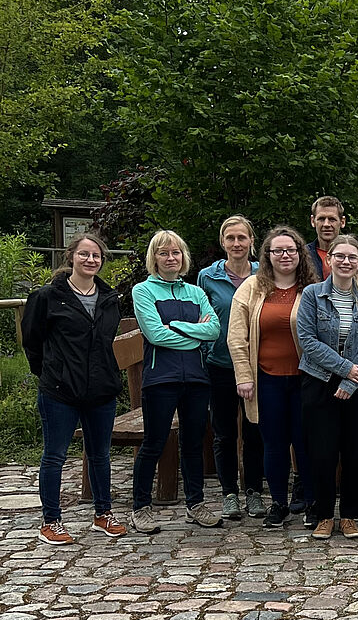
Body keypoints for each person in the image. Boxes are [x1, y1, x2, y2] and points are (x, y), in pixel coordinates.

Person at [23, 233, 127, 544]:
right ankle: (51, 521)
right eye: (84, 254)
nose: (90, 260)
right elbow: (32, 341)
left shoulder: (109, 298)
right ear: (71, 257)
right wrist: (50, 373)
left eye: (96, 255)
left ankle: (103, 514)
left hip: (100, 389)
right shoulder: (47, 296)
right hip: (60, 390)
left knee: (100, 455)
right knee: (54, 455)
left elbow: (105, 342)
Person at [130, 230, 222, 533]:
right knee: (154, 442)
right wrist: (194, 333)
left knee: (193, 443)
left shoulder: (195, 292)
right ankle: (140, 507)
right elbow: (155, 334)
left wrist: (177, 326)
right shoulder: (143, 291)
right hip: (161, 378)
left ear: (183, 257)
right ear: (154, 258)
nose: (171, 258)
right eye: (164, 253)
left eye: (175, 252)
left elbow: (214, 331)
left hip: (196, 377)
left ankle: (196, 504)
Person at [227, 225, 318, 528]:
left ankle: (311, 502)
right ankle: (278, 503)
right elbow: (236, 337)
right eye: (277, 250)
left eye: (290, 250)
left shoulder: (313, 288)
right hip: (266, 379)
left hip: (306, 379)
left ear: (300, 253)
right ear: (267, 254)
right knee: (274, 444)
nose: (284, 255)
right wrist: (243, 376)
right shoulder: (252, 287)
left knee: (305, 442)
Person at [296, 234, 358, 540]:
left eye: (351, 257)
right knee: (322, 451)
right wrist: (344, 369)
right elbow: (307, 340)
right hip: (319, 380)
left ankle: (349, 515)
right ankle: (323, 515)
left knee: (355, 451)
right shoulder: (312, 295)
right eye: (340, 256)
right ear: (329, 260)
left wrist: (350, 379)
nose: (346, 262)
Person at [198, 215, 266, 521]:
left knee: (255, 431)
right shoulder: (207, 277)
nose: (236, 243)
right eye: (230, 238)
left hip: (257, 365)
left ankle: (254, 491)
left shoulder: (264, 274)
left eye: (242, 237)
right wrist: (205, 352)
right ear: (223, 242)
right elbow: (201, 318)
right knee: (224, 433)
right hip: (221, 364)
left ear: (251, 240)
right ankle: (229, 494)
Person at [306, 195, 346, 280]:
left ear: (342, 222)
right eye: (321, 219)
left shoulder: (353, 256)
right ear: (313, 221)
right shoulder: (303, 255)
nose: (326, 224)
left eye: (332, 219)